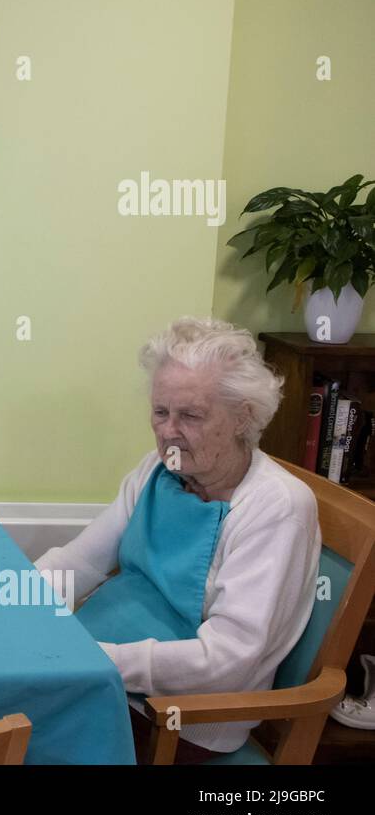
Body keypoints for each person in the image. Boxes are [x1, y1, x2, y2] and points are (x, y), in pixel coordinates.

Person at [35, 317, 320, 762]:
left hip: (182, 718)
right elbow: (80, 564)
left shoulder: (277, 508)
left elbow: (228, 657)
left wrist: (97, 659)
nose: (168, 431)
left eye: (190, 415)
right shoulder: (157, 469)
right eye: (160, 412)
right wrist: (9, 606)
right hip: (104, 676)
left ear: (243, 416)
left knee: (4, 732)